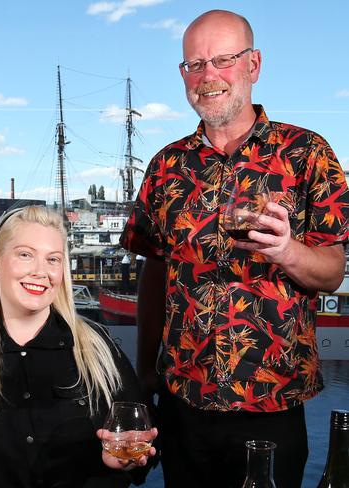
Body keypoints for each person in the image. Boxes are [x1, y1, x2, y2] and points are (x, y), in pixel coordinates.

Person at [121, 9, 349, 488]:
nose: (208, 77)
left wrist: (287, 250)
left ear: (254, 65)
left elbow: (330, 272)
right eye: (195, 64)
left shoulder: (308, 153)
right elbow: (153, 273)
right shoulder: (165, 166)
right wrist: (144, 375)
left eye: (223, 60)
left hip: (272, 403)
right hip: (181, 400)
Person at [0, 206, 157, 488]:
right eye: (25, 255)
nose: (41, 272)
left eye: (53, 259)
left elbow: (140, 443)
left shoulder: (98, 349)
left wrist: (126, 460)